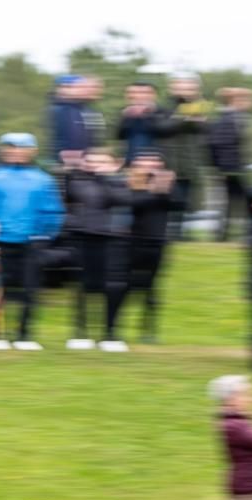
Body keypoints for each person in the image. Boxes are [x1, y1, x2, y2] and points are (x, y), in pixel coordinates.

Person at [0, 132, 65, 350]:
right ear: (3, 151)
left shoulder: (44, 180)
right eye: (10, 148)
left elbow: (53, 211)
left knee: (31, 289)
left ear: (32, 151)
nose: (15, 152)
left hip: (31, 241)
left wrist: (45, 235)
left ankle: (24, 335)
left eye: (21, 148)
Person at [62, 148, 131, 352]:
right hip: (85, 237)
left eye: (101, 160)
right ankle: (80, 331)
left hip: (114, 240)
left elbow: (121, 200)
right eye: (90, 161)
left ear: (115, 164)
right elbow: (74, 202)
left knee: (113, 287)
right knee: (83, 285)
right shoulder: (78, 183)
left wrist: (106, 179)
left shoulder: (124, 183)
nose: (95, 164)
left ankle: (110, 332)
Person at [124, 150, 177, 344]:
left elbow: (175, 203)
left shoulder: (166, 187)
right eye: (145, 162)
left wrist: (157, 187)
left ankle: (148, 329)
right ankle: (115, 329)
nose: (150, 165)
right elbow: (134, 202)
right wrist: (154, 189)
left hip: (157, 242)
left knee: (152, 288)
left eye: (155, 162)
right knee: (125, 284)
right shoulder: (131, 184)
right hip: (133, 242)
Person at [162, 73, 212, 241]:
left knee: (185, 203)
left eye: (190, 87)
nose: (186, 91)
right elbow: (163, 128)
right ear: (173, 88)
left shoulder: (202, 107)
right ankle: (167, 234)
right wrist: (184, 118)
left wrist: (199, 121)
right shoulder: (166, 107)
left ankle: (179, 235)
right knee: (168, 202)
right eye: (182, 87)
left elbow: (207, 131)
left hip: (190, 164)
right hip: (168, 164)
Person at [209, 88, 252, 242]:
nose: (251, 103)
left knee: (236, 203)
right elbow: (220, 144)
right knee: (240, 202)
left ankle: (226, 234)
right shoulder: (228, 119)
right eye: (249, 99)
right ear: (237, 101)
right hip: (233, 170)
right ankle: (224, 235)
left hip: (238, 168)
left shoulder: (240, 118)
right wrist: (227, 170)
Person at [48, 75, 91, 172]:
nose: (82, 90)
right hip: (64, 165)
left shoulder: (80, 109)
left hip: (80, 164)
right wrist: (60, 162)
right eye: (79, 87)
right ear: (63, 88)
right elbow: (57, 140)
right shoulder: (59, 109)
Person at [116, 81, 167, 163]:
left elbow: (164, 131)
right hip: (130, 161)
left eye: (143, 92)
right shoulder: (125, 112)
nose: (138, 96)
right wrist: (126, 118)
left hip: (155, 163)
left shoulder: (163, 112)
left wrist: (148, 113)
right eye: (133, 93)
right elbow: (119, 136)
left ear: (153, 95)